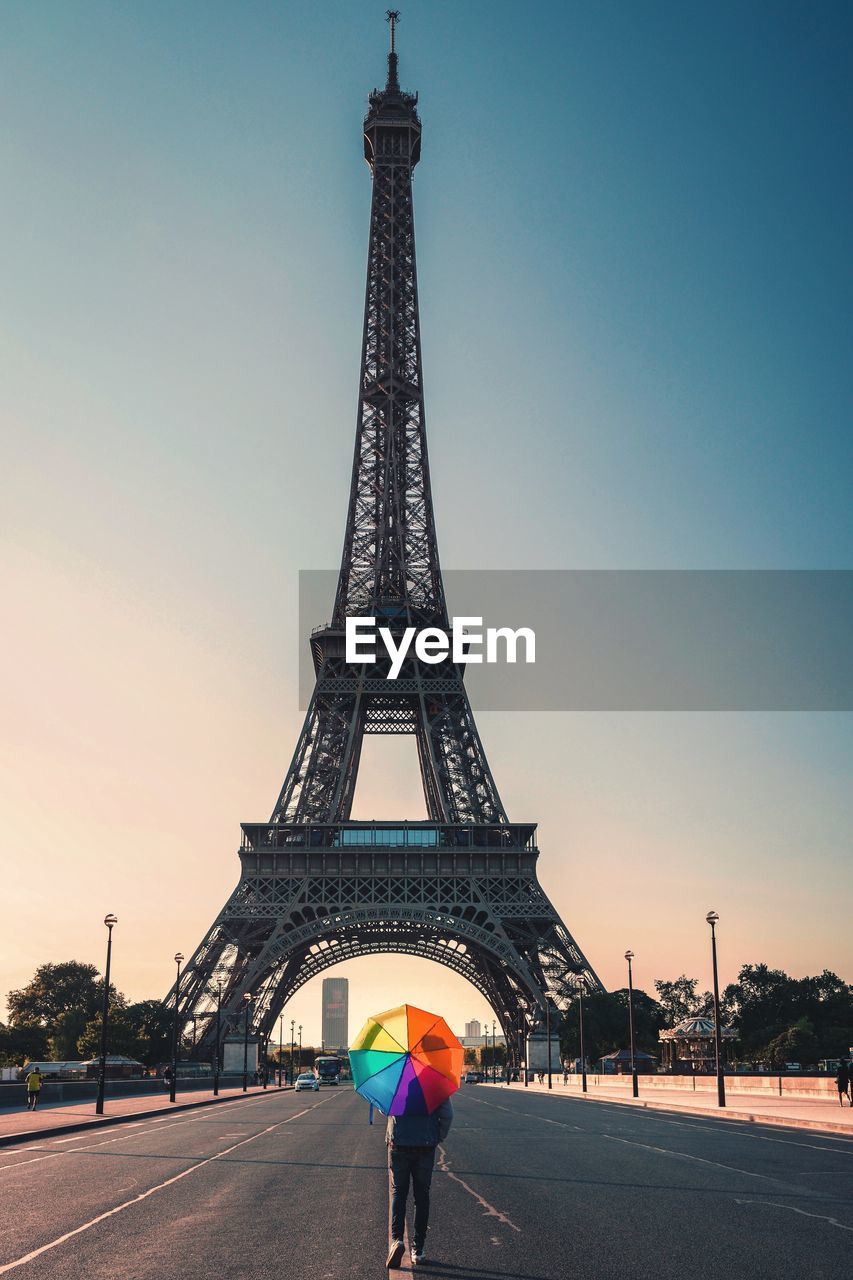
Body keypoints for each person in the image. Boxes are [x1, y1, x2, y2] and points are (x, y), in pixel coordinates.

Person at [386, 1096, 453, 1269]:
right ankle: (418, 1249)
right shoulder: (435, 1084)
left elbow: (384, 1109)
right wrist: (437, 1136)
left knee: (399, 1193)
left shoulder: (396, 1082)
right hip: (425, 1144)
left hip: (399, 1144)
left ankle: (397, 1240)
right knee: (421, 1196)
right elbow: (447, 1115)